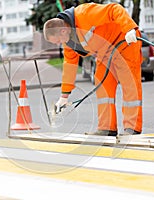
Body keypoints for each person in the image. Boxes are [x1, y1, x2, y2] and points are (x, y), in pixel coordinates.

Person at [43, 3, 143, 136]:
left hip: (124, 42)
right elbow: (69, 66)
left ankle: (132, 128)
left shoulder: (85, 14)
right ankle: (107, 128)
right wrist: (64, 96)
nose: (58, 44)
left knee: (129, 86)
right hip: (105, 53)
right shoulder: (68, 42)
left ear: (62, 31)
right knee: (102, 87)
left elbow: (114, 9)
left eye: (56, 41)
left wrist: (129, 28)